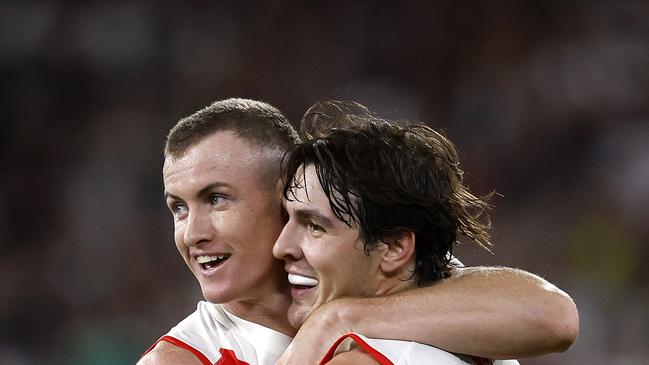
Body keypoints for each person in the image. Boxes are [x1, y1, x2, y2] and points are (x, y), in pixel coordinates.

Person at [138, 98, 578, 365]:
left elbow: (553, 316)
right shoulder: (184, 358)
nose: (192, 232)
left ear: (284, 197)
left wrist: (339, 319)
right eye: (177, 207)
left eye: (217, 199)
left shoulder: (395, 286)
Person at [274, 100, 521, 364]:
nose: (280, 247)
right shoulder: (486, 345)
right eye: (286, 218)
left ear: (394, 248)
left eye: (315, 227)